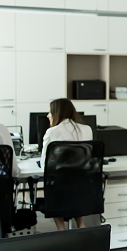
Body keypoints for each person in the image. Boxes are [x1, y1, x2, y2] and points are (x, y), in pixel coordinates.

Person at [41, 98, 94, 231]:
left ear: (57, 113)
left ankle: (61, 230)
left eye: (50, 112)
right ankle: (81, 225)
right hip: (83, 185)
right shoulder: (87, 129)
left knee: (55, 188)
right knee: (75, 188)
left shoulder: (52, 132)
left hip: (60, 186)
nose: (48, 115)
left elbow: (44, 165)